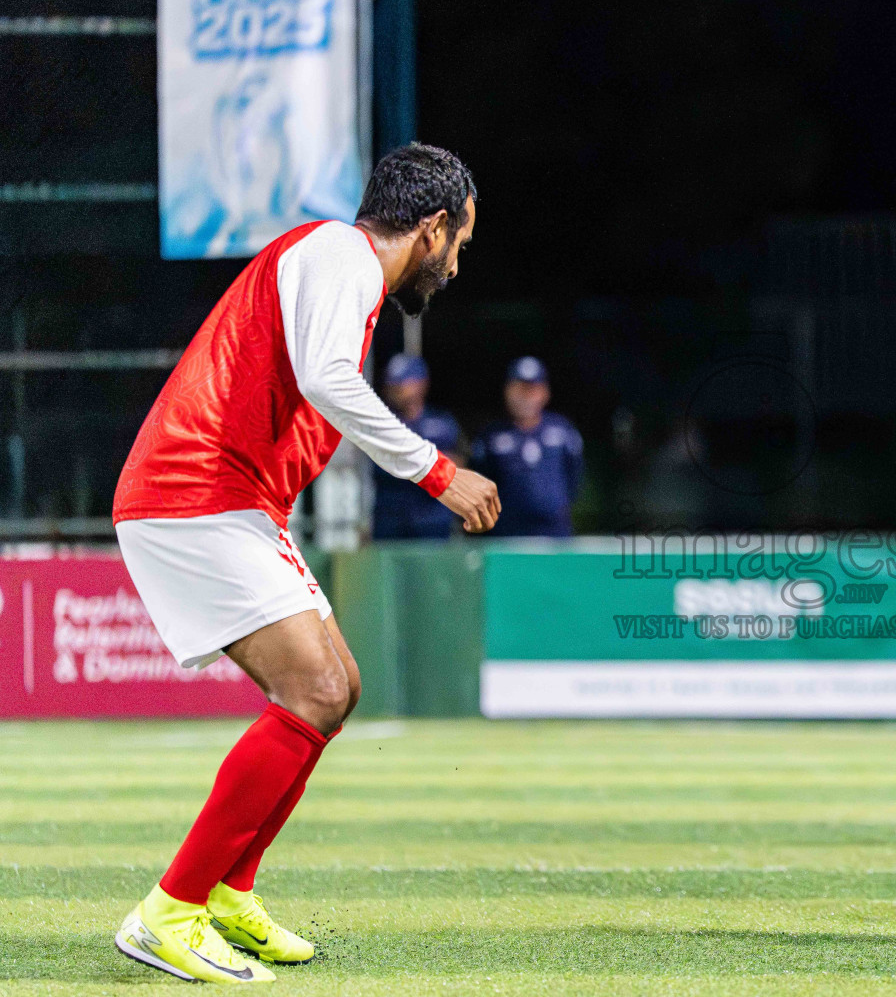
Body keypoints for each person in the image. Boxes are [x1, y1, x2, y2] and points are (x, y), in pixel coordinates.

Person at [110, 144, 500, 983]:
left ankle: (223, 892)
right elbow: (327, 381)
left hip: (234, 504)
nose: (457, 265)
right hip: (195, 494)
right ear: (430, 229)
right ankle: (169, 910)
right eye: (461, 243)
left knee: (339, 689)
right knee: (317, 690)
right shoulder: (339, 255)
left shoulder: (338, 269)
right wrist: (438, 471)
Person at [472, 356, 583, 537]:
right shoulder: (491, 436)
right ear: (507, 391)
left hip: (555, 533)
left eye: (532, 390)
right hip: (507, 534)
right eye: (519, 389)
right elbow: (480, 481)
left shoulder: (563, 430)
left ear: (545, 392)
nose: (525, 397)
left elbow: (574, 476)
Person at [373, 354, 464, 540]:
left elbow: (458, 466)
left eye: (403, 383)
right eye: (393, 384)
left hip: (433, 522)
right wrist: (433, 463)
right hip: (390, 523)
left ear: (421, 383)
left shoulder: (442, 424)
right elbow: (383, 465)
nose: (397, 389)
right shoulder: (380, 422)